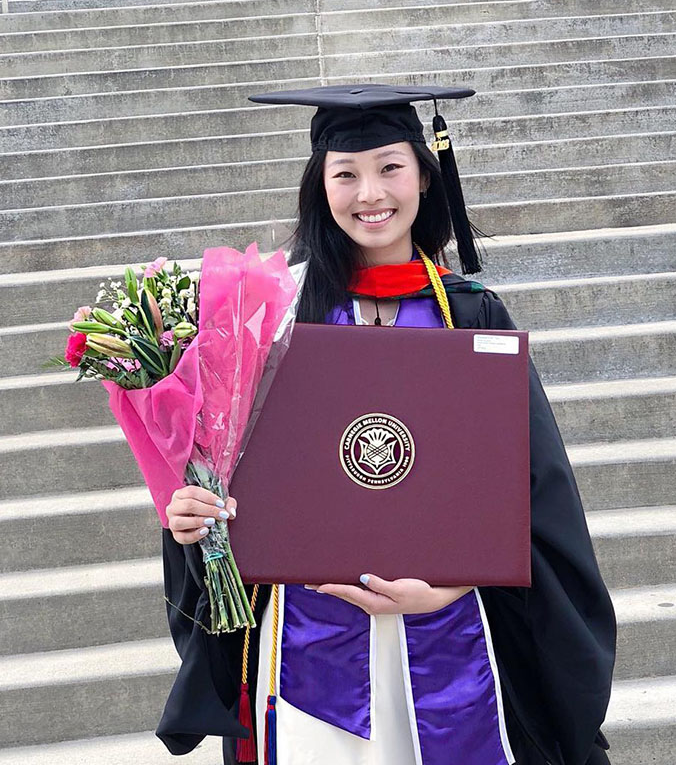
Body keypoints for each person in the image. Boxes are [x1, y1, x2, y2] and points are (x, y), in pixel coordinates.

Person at [159, 85, 616, 765]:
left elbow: (534, 491)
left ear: (426, 178)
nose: (369, 192)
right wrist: (194, 515)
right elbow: (229, 477)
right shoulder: (274, 317)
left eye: (390, 167)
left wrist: (455, 585)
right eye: (346, 174)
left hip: (454, 629)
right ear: (321, 185)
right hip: (305, 645)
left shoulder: (473, 316)